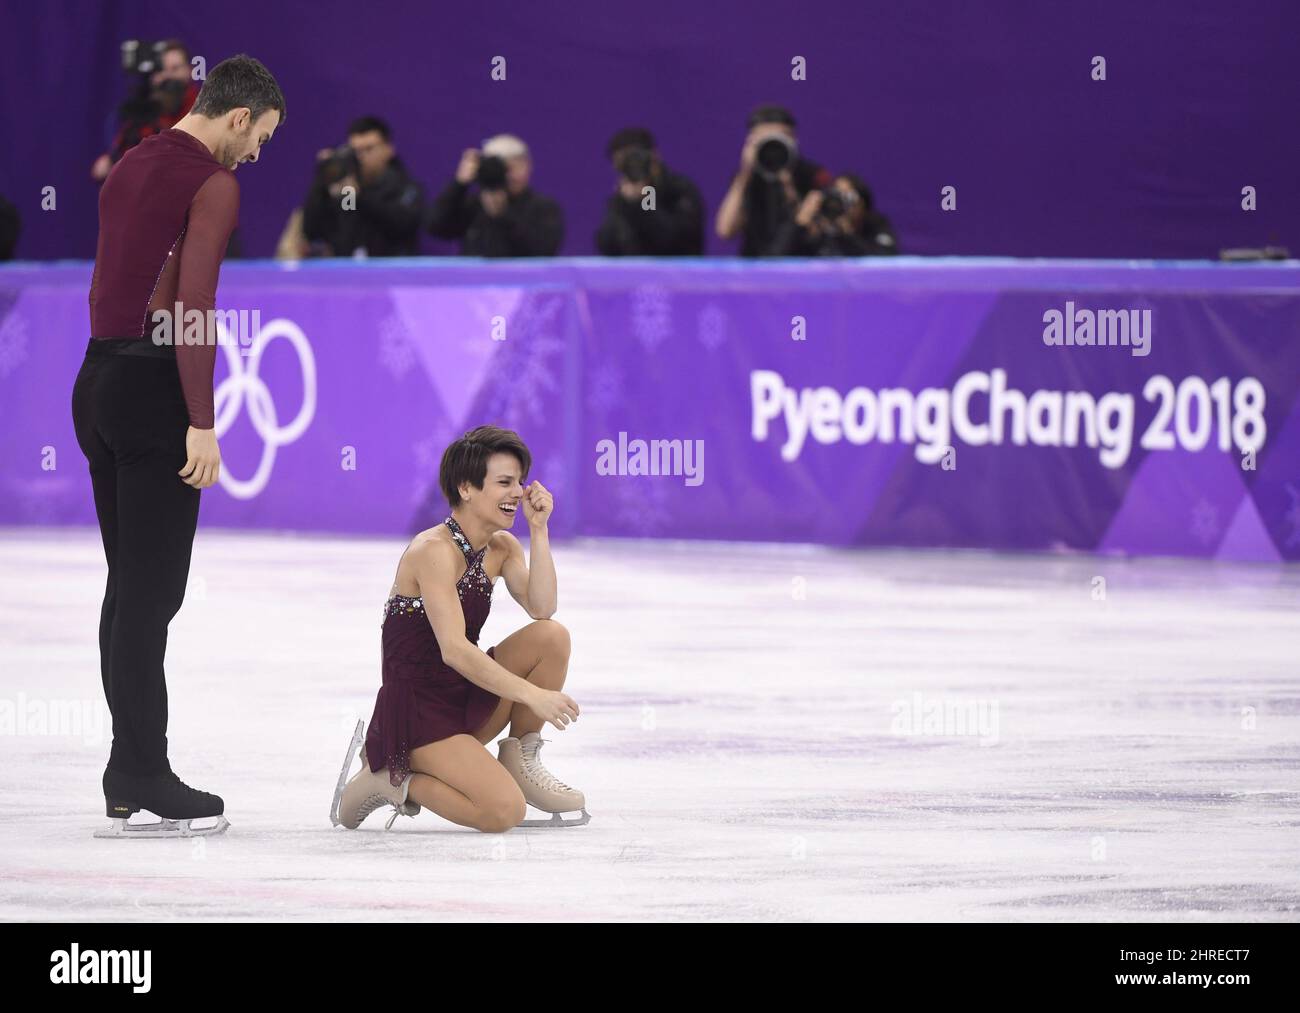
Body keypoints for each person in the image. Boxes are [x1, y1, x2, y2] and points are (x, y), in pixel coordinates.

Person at [72, 54, 285, 839]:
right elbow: (193, 305)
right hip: (156, 391)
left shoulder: (132, 161)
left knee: (129, 588)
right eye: (260, 137)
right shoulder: (213, 181)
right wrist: (203, 416)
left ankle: (128, 766)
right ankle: (140, 767)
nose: (256, 154)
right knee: (151, 596)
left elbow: (115, 286)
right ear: (237, 117)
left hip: (95, 382)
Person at [332, 426, 588, 832]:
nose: (518, 492)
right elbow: (453, 649)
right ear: (466, 488)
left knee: (551, 636)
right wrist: (533, 696)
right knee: (503, 812)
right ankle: (392, 777)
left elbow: (543, 607)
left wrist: (539, 530)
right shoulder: (432, 551)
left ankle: (519, 758)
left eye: (520, 481)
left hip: (462, 694)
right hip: (417, 714)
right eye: (504, 482)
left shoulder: (502, 547)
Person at [714, 104, 832, 256]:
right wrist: (744, 173)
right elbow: (725, 230)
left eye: (778, 140)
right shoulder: (747, 177)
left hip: (800, 268)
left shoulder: (813, 175)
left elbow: (816, 233)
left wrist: (788, 185)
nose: (773, 149)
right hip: (755, 270)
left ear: (794, 140)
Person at [300, 115, 425, 257]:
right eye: (356, 151)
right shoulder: (348, 191)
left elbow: (403, 225)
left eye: (369, 149)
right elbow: (312, 231)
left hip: (390, 272)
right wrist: (323, 180)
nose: (361, 156)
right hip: (347, 273)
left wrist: (360, 197)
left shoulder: (405, 187)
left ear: (389, 149)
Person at [426, 135, 563, 256]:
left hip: (521, 282)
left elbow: (544, 251)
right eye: (502, 168)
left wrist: (503, 215)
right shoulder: (475, 204)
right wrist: (459, 184)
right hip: (475, 281)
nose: (508, 176)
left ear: (528, 166)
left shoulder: (543, 207)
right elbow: (436, 227)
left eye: (513, 167)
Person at [91, 40, 199, 183]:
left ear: (189, 70)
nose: (168, 76)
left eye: (175, 69)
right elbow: (121, 153)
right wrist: (111, 163)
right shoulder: (146, 109)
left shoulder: (202, 109)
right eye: (161, 70)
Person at [596, 127, 703, 255]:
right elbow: (607, 245)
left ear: (654, 155)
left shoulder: (680, 190)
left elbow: (670, 239)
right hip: (632, 272)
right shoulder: (622, 199)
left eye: (636, 158)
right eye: (624, 164)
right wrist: (624, 203)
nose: (633, 166)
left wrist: (642, 201)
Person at [770, 173, 899, 256]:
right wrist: (799, 224)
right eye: (836, 195)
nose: (840, 204)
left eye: (848, 197)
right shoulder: (815, 226)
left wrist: (847, 234)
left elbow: (884, 263)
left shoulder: (876, 225)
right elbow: (774, 263)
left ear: (863, 205)